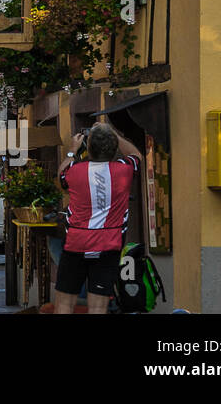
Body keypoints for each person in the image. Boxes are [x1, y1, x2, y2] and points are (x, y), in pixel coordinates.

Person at [54, 123, 142, 315]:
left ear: (89, 148)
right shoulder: (124, 170)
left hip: (76, 243)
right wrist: (114, 135)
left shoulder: (74, 171)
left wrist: (72, 151)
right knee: (98, 307)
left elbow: (61, 176)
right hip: (108, 245)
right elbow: (137, 156)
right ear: (113, 148)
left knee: (64, 304)